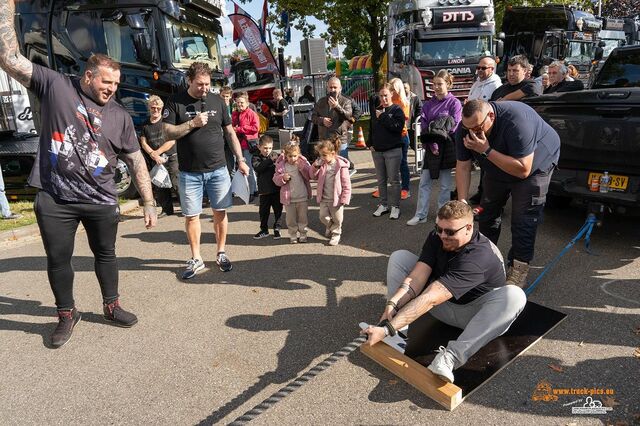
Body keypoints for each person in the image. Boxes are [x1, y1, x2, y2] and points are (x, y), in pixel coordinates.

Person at [0, 1, 158, 347]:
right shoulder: (56, 86)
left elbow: (135, 159)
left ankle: (112, 306)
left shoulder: (120, 116)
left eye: (116, 83)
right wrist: (6, 6)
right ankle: (66, 314)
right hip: (55, 197)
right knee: (59, 258)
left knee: (106, 255)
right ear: (88, 76)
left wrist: (148, 201)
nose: (112, 88)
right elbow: (9, 59)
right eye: (107, 81)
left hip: (101, 199)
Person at [362, 201, 526, 385]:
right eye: (439, 229)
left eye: (449, 232)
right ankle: (396, 331)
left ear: (468, 228)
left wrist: (385, 329)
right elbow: (417, 277)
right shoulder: (438, 236)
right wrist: (393, 305)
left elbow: (431, 298)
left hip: (473, 318)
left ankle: (450, 358)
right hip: (445, 306)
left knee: (515, 295)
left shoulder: (479, 257)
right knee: (400, 257)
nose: (442, 236)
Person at [454, 99, 560, 288]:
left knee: (523, 218)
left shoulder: (517, 122)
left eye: (477, 128)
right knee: (487, 213)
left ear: (491, 117)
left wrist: (485, 149)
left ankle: (518, 269)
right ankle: (486, 259)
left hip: (534, 165)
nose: (472, 133)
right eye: (467, 128)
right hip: (497, 165)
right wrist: (462, 201)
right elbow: (463, 166)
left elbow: (523, 169)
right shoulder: (466, 128)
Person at [163, 62, 249, 279]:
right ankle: (196, 257)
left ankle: (221, 252)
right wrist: (191, 124)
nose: (204, 89)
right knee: (192, 216)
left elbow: (229, 133)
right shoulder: (175, 102)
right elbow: (167, 133)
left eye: (208, 84)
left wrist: (240, 159)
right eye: (200, 84)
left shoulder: (218, 101)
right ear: (189, 81)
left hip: (218, 169)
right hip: (189, 172)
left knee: (220, 213)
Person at [407, 70, 461, 226]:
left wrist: (435, 134)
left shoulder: (454, 103)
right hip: (431, 148)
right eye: (434, 84)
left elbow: (453, 126)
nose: (436, 87)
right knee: (424, 183)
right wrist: (432, 143)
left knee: (445, 185)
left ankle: (442, 216)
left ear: (448, 84)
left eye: (440, 84)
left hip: (447, 149)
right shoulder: (428, 104)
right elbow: (424, 126)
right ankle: (420, 215)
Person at [368, 83, 405, 220]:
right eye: (381, 96)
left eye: (385, 95)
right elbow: (372, 127)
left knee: (394, 180)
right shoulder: (376, 109)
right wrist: (370, 143)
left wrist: (383, 117)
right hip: (377, 150)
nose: (383, 99)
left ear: (391, 95)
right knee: (380, 179)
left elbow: (397, 127)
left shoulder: (396, 110)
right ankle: (383, 204)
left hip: (393, 150)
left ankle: (395, 206)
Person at [140, 95, 179, 217]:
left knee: (176, 183)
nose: (155, 110)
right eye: (153, 108)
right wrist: (153, 154)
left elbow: (172, 141)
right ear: (149, 108)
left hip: (171, 157)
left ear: (161, 108)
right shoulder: (145, 124)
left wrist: (157, 152)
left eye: (158, 108)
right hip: (155, 160)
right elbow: (143, 142)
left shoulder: (167, 122)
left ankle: (188, 207)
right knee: (160, 186)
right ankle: (167, 210)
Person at [308, 139, 352, 246]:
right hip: (324, 197)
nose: (322, 158)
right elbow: (312, 176)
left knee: (337, 218)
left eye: (324, 155)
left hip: (336, 198)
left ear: (332, 154)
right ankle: (331, 227)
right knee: (323, 216)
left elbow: (347, 184)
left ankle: (336, 234)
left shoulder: (341, 166)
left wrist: (345, 198)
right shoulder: (321, 164)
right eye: (320, 155)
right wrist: (315, 166)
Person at [311, 77, 354, 170]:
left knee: (341, 168)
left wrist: (337, 106)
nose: (332, 90)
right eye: (330, 87)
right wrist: (322, 120)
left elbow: (348, 116)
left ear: (340, 88)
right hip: (324, 140)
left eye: (335, 87)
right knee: (325, 169)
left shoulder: (346, 101)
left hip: (340, 140)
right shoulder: (321, 101)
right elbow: (313, 117)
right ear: (327, 88)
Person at [273, 142, 312, 243]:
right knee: (290, 219)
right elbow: (275, 180)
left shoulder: (302, 163)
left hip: (302, 195)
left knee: (303, 217)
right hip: (289, 198)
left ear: (298, 154)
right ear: (285, 155)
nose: (293, 158)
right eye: (290, 156)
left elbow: (309, 175)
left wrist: (302, 168)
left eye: (295, 156)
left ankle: (303, 233)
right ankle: (293, 234)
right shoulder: (281, 166)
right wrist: (283, 178)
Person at [251, 135, 282, 240]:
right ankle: (264, 229)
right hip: (264, 191)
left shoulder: (275, 155)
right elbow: (259, 168)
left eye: (269, 148)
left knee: (278, 210)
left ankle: (277, 228)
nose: (267, 150)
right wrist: (270, 161)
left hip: (276, 189)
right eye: (265, 148)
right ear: (259, 147)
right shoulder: (256, 157)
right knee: (264, 212)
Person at [232, 92, 259, 197]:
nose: (240, 105)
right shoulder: (235, 114)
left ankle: (252, 191)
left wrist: (239, 129)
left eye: (242, 103)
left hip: (249, 145)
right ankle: (253, 189)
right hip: (238, 144)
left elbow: (256, 128)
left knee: (249, 168)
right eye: (238, 103)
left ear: (247, 103)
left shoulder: (251, 113)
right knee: (242, 168)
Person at [389, 78, 411, 200]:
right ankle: (386, 188)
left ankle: (406, 188)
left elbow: (402, 119)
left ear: (398, 89)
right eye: (390, 88)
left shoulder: (404, 102)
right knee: (389, 163)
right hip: (390, 136)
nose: (391, 91)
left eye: (393, 89)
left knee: (402, 162)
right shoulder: (389, 100)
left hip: (401, 136)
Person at [219, 86, 236, 177]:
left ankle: (234, 181)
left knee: (233, 160)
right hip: (221, 137)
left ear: (230, 96)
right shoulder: (217, 106)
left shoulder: (234, 107)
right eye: (223, 96)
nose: (225, 98)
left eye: (227, 96)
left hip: (232, 137)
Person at [404, 82, 422, 151]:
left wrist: (416, 120)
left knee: (415, 144)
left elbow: (420, 109)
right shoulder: (399, 98)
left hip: (412, 125)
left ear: (409, 88)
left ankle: (420, 159)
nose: (404, 89)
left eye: (405, 87)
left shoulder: (415, 98)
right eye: (402, 88)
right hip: (403, 126)